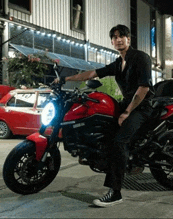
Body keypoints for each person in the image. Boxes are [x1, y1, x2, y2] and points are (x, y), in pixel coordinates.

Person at [55, 24, 154, 207]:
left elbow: (144, 88)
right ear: (111, 41)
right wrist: (66, 79)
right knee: (107, 130)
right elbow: (93, 73)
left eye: (121, 36)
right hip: (129, 104)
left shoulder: (140, 58)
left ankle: (115, 193)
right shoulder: (118, 63)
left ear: (128, 39)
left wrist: (126, 112)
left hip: (142, 106)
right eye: (114, 37)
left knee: (119, 141)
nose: (118, 39)